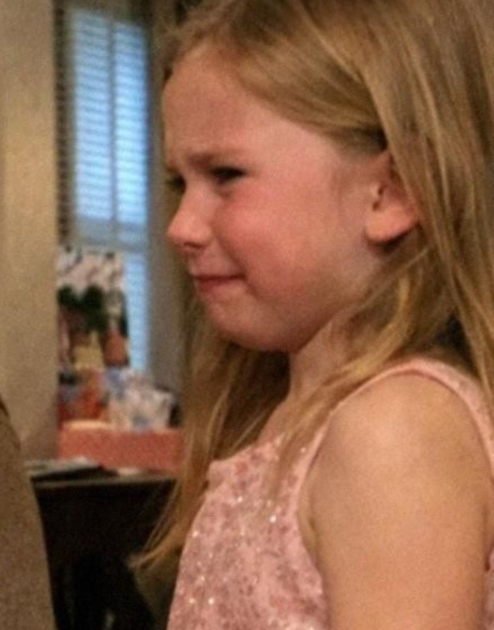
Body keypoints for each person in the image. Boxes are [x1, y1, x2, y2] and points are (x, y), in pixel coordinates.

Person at [143, 0, 494, 627]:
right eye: (180, 184)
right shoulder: (293, 418)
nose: (182, 227)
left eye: (226, 174)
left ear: (391, 193)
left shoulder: (395, 432)